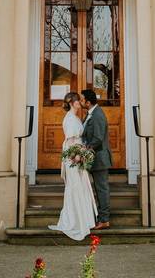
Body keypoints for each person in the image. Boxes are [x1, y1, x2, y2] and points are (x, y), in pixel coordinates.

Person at [47, 92, 97, 240]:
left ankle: (85, 219)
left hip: (79, 155)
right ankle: (75, 221)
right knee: (75, 187)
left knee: (81, 187)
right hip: (73, 158)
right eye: (78, 101)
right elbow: (70, 141)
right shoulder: (69, 119)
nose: (80, 103)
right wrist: (76, 155)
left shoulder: (75, 117)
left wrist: (82, 153)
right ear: (72, 103)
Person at [80, 88, 111, 230]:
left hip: (99, 158)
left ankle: (104, 219)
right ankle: (99, 217)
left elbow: (98, 138)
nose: (80, 102)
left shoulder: (98, 115)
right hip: (94, 158)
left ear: (88, 101)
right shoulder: (89, 114)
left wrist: (83, 151)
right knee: (98, 189)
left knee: (101, 189)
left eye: (82, 99)